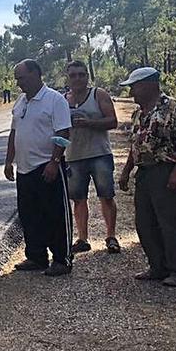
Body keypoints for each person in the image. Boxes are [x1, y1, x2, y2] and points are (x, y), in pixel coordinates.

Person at [118, 67, 176, 287]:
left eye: (134, 87)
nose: (132, 92)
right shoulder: (139, 113)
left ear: (149, 84)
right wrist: (126, 171)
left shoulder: (172, 106)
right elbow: (136, 145)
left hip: (166, 170)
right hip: (145, 172)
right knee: (145, 222)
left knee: (171, 221)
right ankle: (157, 267)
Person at [4, 59, 74, 276]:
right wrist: (9, 161)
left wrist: (54, 162)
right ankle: (36, 256)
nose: (18, 83)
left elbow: (63, 133)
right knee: (29, 215)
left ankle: (62, 259)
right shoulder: (20, 102)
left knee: (55, 215)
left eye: (22, 78)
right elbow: (14, 133)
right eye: (17, 79)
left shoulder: (54, 100)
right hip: (25, 170)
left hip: (47, 167)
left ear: (36, 74)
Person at [63, 60, 120, 254]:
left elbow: (113, 121)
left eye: (81, 74)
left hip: (99, 154)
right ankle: (82, 239)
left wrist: (90, 123)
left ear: (87, 76)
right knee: (78, 199)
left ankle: (111, 237)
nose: (77, 78)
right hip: (73, 155)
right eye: (73, 75)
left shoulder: (99, 94)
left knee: (106, 196)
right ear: (68, 78)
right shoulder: (63, 100)